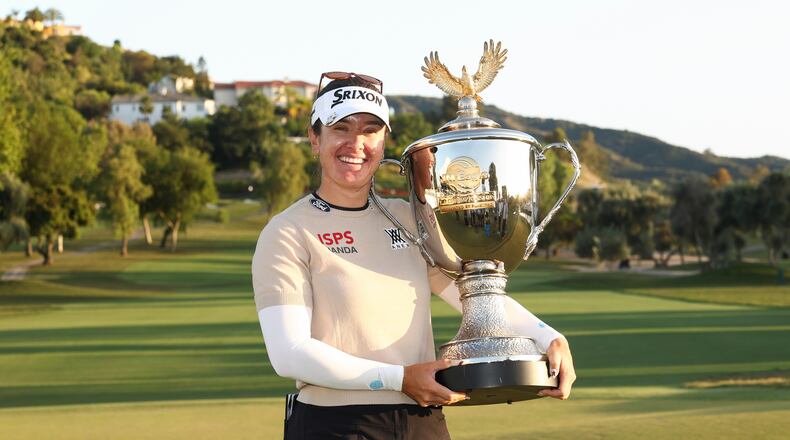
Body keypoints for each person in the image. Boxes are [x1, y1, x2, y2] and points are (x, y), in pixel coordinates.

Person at [252, 72, 576, 440]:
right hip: (336, 425)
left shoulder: (409, 217)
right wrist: (400, 379)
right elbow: (289, 354)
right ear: (315, 138)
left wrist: (548, 337)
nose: (356, 142)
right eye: (341, 127)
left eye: (370, 130)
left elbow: (471, 294)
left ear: (384, 140)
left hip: (422, 421)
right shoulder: (287, 231)